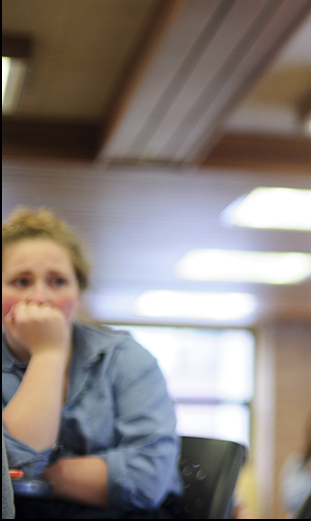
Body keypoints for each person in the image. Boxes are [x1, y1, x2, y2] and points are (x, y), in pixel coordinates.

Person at [1, 207, 182, 518]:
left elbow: (146, 480)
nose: (40, 297)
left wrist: (39, 472)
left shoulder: (126, 358)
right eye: (21, 282)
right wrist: (48, 354)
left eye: (58, 281)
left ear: (79, 293)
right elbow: (17, 467)